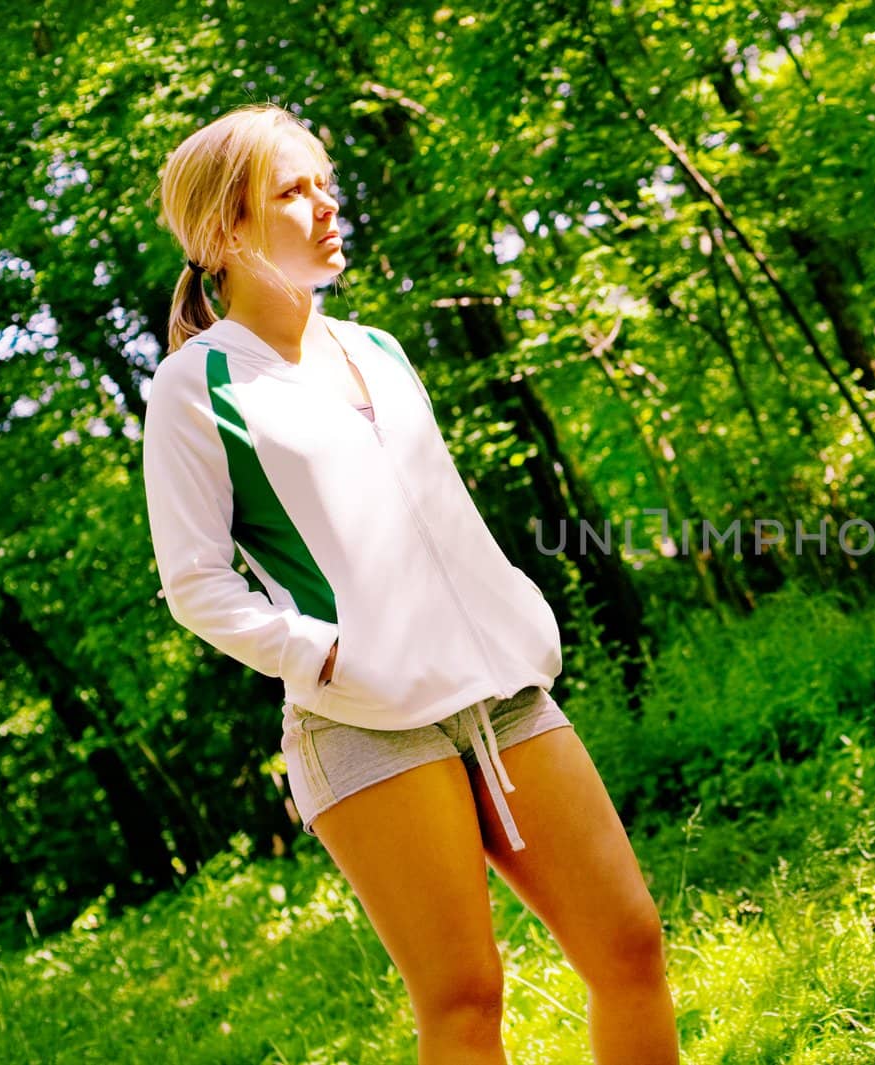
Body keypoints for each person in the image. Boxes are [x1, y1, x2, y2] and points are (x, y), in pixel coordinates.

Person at [143, 102, 679, 1064]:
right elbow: (194, 580)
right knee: (466, 997)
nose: (325, 204)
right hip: (362, 721)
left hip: (502, 694)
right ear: (225, 231)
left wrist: (515, 607)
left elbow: (440, 512)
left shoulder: (380, 350)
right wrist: (323, 654)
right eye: (292, 191)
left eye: (324, 182)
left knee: (629, 942)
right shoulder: (197, 387)